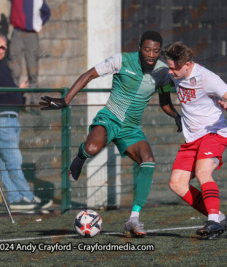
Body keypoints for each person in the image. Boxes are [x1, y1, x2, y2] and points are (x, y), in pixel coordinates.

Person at [40, 31, 181, 236]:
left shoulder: (162, 72)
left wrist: (176, 116)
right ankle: (81, 157)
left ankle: (133, 220)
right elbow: (89, 74)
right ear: (139, 47)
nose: (151, 54)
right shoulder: (121, 59)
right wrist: (65, 100)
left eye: (156, 51)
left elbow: (164, 102)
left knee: (148, 161)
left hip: (131, 128)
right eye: (147, 49)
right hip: (110, 119)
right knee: (92, 148)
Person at [160, 42, 227, 239]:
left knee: (203, 171)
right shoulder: (172, 75)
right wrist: (176, 116)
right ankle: (220, 217)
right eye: (169, 67)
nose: (170, 72)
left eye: (174, 68)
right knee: (177, 184)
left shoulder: (207, 78)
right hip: (192, 139)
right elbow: (163, 97)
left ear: (187, 65)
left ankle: (213, 221)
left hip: (213, 133)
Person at [0, 31, 52, 211]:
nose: (2, 50)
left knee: (6, 160)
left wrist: (18, 90)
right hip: (0, 118)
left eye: (4, 47)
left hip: (12, 117)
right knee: (14, 159)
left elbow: (7, 92)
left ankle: (15, 199)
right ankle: (26, 196)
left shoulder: (2, 66)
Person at [8, 0, 51, 104]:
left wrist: (38, 23)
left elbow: (47, 12)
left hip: (31, 35)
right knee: (14, 70)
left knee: (33, 71)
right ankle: (14, 101)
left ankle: (34, 103)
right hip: (17, 33)